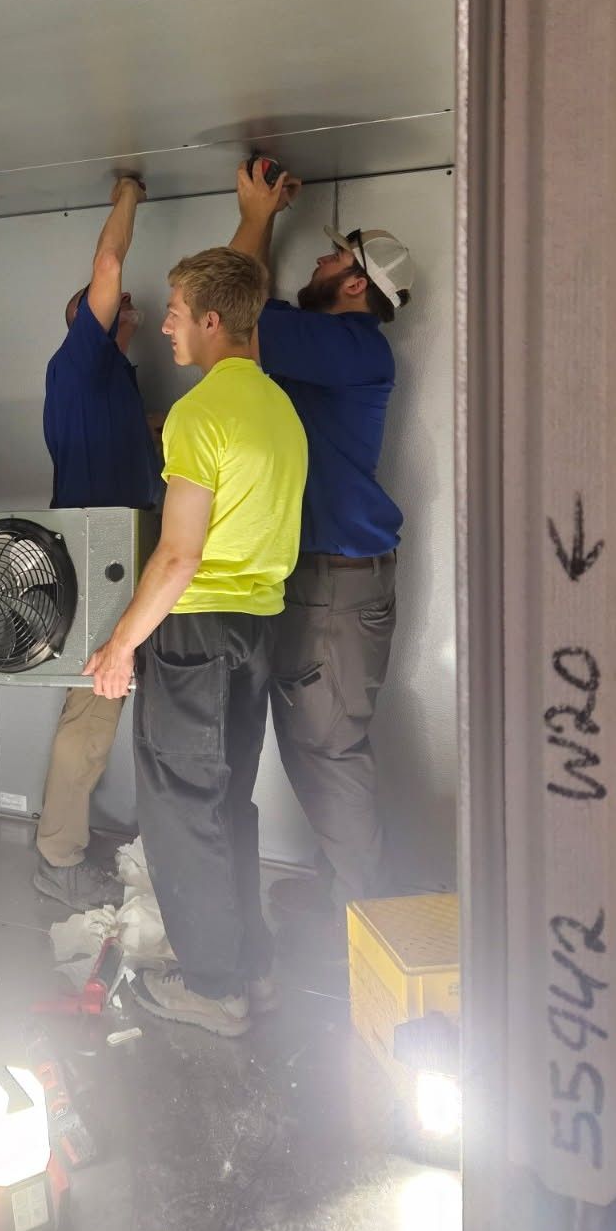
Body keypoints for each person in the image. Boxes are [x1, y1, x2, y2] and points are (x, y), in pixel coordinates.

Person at [84, 248, 308, 1037]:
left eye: (177, 309)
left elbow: (179, 555)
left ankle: (215, 989)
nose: (168, 322)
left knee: (183, 816)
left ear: (213, 319)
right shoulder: (278, 408)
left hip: (196, 638)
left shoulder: (199, 413)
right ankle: (252, 967)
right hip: (256, 629)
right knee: (224, 808)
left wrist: (119, 646)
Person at [229, 161, 414, 928]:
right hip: (324, 579)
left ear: (356, 287)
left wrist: (255, 213)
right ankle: (343, 890)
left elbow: (232, 311)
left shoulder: (354, 346)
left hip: (335, 584)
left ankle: (361, 920)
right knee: (314, 745)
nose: (321, 259)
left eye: (336, 257)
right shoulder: (330, 350)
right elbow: (249, 321)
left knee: (328, 750)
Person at [35, 175, 162, 909]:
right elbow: (108, 269)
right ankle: (58, 858)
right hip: (95, 560)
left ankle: (66, 841)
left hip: (114, 556)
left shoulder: (111, 380)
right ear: (86, 316)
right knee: (92, 707)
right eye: (109, 308)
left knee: (99, 705)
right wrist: (128, 192)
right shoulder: (80, 362)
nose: (126, 307)